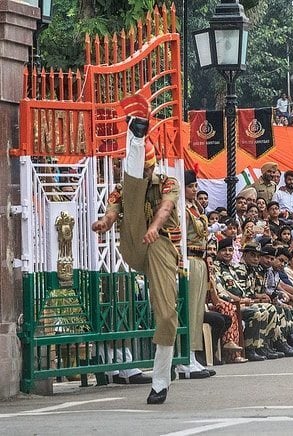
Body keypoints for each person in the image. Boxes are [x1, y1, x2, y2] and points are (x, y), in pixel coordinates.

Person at [92, 116, 181, 404]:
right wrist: (104, 224)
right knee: (130, 189)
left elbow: (166, 208)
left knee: (166, 314)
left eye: (144, 167)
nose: (143, 171)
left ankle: (159, 381)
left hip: (160, 246)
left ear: (152, 166)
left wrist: (154, 227)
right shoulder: (124, 188)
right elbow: (112, 211)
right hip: (132, 242)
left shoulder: (167, 182)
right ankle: (135, 138)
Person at [177, 169, 215, 379]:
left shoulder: (194, 208)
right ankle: (184, 357)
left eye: (195, 186)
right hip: (188, 258)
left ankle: (192, 354)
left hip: (200, 259)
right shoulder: (180, 208)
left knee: (198, 310)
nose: (194, 190)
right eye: (191, 186)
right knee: (189, 308)